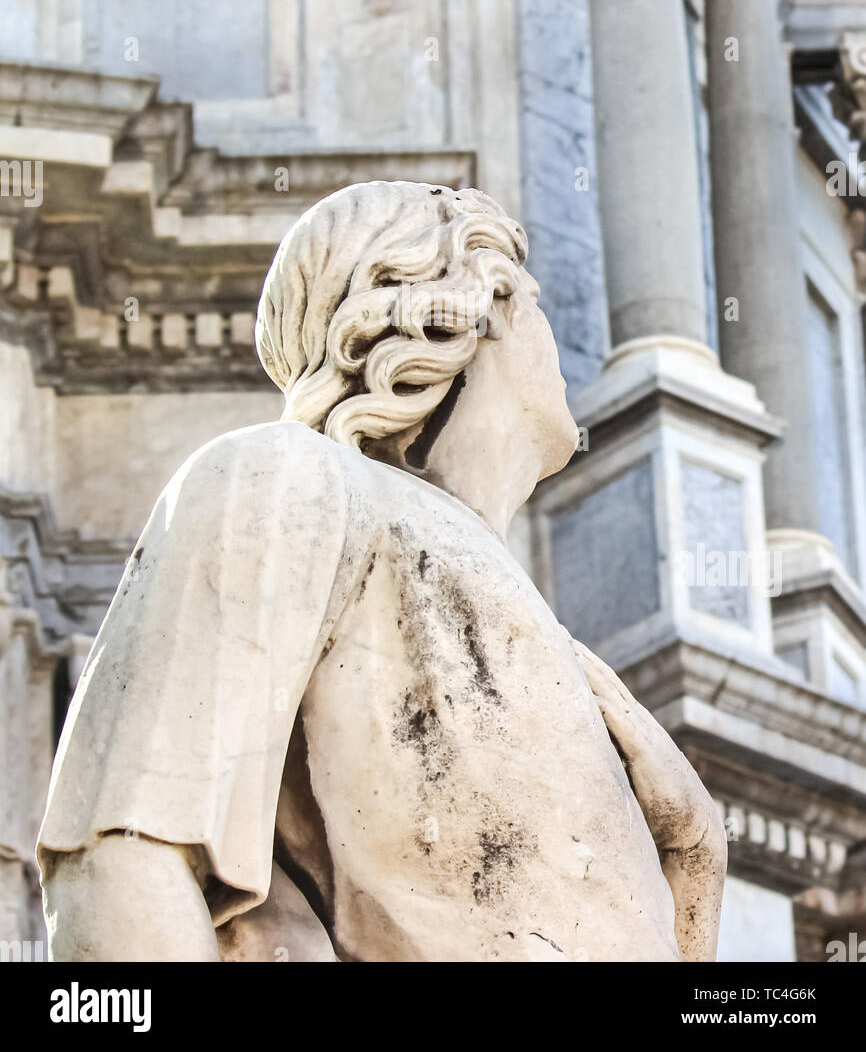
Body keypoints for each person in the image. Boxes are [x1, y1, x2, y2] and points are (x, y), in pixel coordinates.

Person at [39, 180, 726, 962]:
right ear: (487, 303)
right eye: (536, 302)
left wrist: (696, 867)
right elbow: (123, 855)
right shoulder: (289, 480)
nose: (556, 337)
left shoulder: (574, 666)